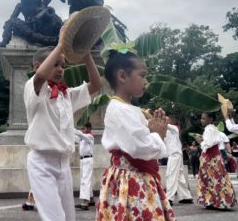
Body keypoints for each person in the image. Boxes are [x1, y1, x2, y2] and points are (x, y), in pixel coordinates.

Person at [24, 43, 102, 221]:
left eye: (63, 66)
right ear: (37, 66)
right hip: (41, 162)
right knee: (54, 218)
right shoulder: (33, 88)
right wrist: (61, 45)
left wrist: (86, 54)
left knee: (68, 217)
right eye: (56, 65)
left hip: (64, 163)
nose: (61, 70)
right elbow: (41, 76)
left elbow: (96, 85)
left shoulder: (66, 95)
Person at [96, 50, 175, 220]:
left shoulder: (130, 109)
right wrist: (157, 134)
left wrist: (158, 127)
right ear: (122, 76)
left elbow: (144, 138)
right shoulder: (119, 109)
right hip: (131, 178)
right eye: (142, 75)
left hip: (138, 176)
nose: (146, 81)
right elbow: (139, 147)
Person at [196, 112, 236, 210]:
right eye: (202, 118)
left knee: (211, 179)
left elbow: (209, 144)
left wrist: (200, 141)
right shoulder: (214, 128)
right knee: (216, 178)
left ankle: (216, 201)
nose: (202, 120)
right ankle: (217, 201)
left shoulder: (209, 129)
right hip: (215, 157)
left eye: (204, 118)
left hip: (210, 157)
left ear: (210, 119)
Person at [164, 117, 193, 206]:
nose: (165, 120)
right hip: (175, 155)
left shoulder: (174, 129)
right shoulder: (165, 132)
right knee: (179, 176)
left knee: (171, 175)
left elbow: (165, 125)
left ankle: (169, 198)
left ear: (171, 121)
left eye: (167, 119)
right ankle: (186, 197)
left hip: (175, 155)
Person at [74, 122, 95, 210]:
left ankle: (85, 203)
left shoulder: (90, 136)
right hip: (82, 160)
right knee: (85, 179)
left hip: (87, 160)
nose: (83, 130)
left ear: (89, 128)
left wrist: (72, 128)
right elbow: (75, 138)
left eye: (84, 128)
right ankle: (91, 200)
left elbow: (81, 135)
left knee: (85, 180)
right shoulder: (83, 138)